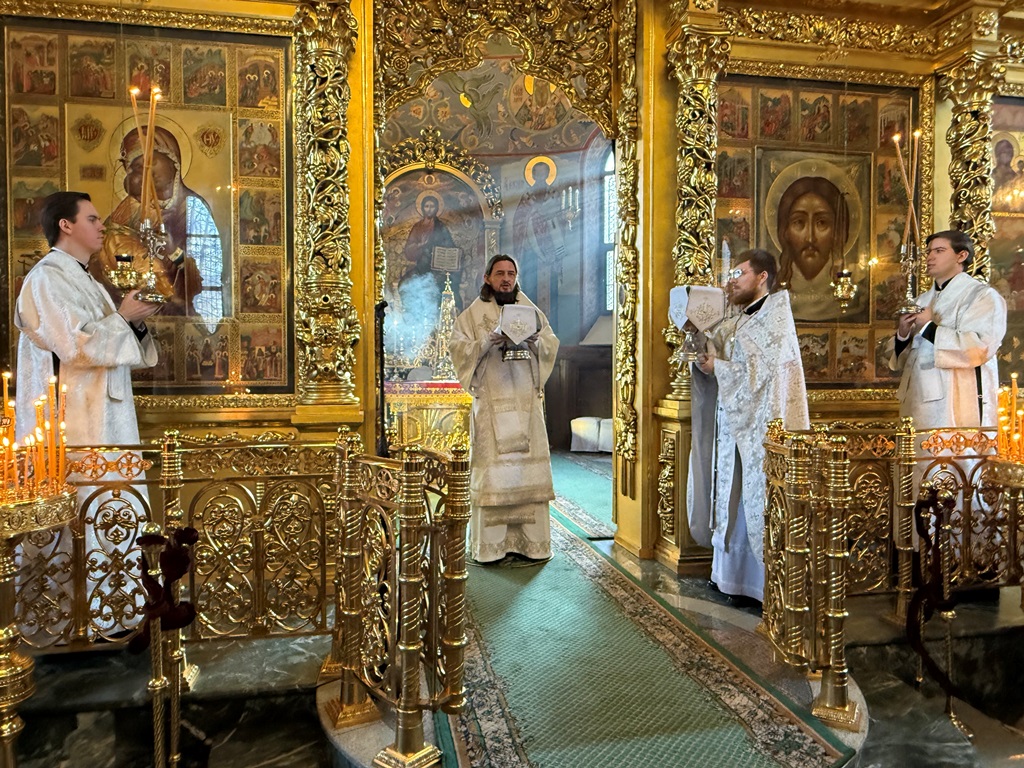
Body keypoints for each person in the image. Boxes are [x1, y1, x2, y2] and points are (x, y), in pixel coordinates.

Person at [690, 249, 809, 605]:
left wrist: (719, 368)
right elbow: (717, 358)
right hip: (732, 424)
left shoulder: (777, 318)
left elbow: (766, 375)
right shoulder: (736, 320)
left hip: (763, 426)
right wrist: (700, 347)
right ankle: (728, 577)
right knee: (731, 494)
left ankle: (760, 585)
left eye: (740, 273)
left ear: (762, 277)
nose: (732, 281)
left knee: (756, 497)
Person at [15, 191, 160, 446]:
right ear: (66, 225)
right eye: (92, 219)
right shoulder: (47, 278)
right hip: (74, 415)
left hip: (104, 410)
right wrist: (124, 317)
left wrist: (134, 322)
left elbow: (112, 346)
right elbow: (76, 346)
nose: (102, 227)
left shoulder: (88, 281)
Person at [449, 254, 560, 564]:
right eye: (500, 273)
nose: (506, 279)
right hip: (491, 406)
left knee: (527, 472)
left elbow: (551, 342)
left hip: (525, 406)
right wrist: (487, 341)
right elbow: (458, 349)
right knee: (493, 475)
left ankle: (531, 544)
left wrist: (536, 341)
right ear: (488, 278)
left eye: (511, 273)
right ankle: (491, 547)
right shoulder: (471, 317)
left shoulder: (530, 310)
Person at [94, 125, 225, 328]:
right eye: (138, 167)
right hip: (135, 314)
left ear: (173, 161)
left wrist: (174, 252)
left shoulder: (193, 208)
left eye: (152, 162)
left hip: (183, 313)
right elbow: (103, 250)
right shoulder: (130, 207)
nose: (147, 171)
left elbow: (208, 270)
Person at [888, 230, 1006, 431]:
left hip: (957, 402)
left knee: (953, 449)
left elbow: (979, 349)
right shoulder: (920, 301)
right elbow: (902, 361)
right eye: (928, 252)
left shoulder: (982, 296)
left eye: (939, 251)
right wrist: (903, 334)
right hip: (916, 400)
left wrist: (928, 326)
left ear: (961, 256)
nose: (930, 257)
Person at [776, 175, 864, 321]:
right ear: (785, 231)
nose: (810, 238)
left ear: (837, 232)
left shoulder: (859, 298)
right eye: (799, 222)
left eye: (822, 223)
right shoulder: (773, 293)